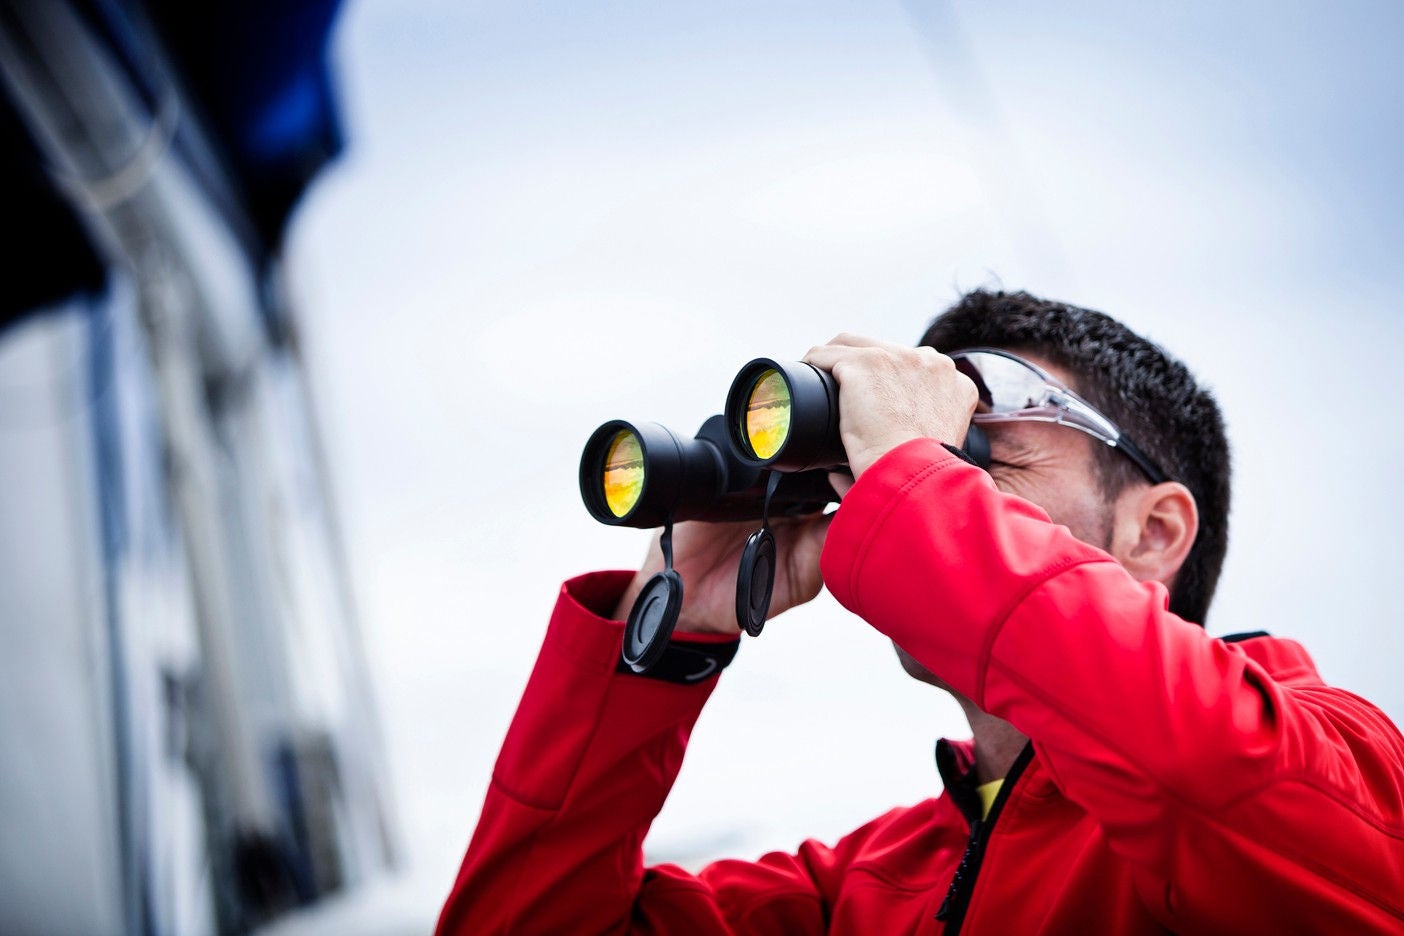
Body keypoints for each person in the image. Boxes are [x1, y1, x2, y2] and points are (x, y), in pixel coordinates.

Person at [435, 290, 1404, 933]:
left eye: (979, 452)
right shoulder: (866, 892)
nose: (893, 487)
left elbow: (1194, 770)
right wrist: (668, 633)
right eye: (889, 457)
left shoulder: (1335, 763)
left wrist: (914, 476)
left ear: (1154, 531)